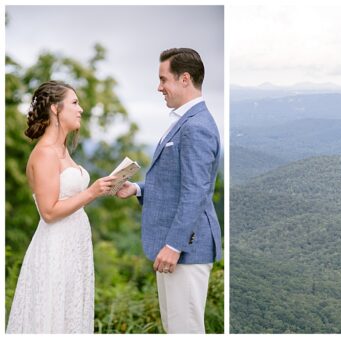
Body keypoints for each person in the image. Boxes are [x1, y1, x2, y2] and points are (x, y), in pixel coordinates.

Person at [115, 47, 222, 334]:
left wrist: (174, 245)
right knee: (175, 327)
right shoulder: (185, 121)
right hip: (176, 247)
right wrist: (137, 188)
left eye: (164, 79)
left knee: (184, 330)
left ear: (184, 78)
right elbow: (175, 184)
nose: (159, 87)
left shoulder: (196, 126)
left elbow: (195, 191)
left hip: (186, 248)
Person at [6, 81, 119, 333]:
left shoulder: (63, 150)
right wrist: (92, 192)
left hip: (74, 246)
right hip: (55, 247)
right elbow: (48, 212)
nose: (81, 109)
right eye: (75, 103)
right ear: (56, 109)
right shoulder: (45, 153)